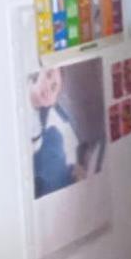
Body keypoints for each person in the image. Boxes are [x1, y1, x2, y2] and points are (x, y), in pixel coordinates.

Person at [29, 66, 85, 196]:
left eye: (54, 88)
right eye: (48, 75)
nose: (48, 86)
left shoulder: (38, 131)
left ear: (53, 101)